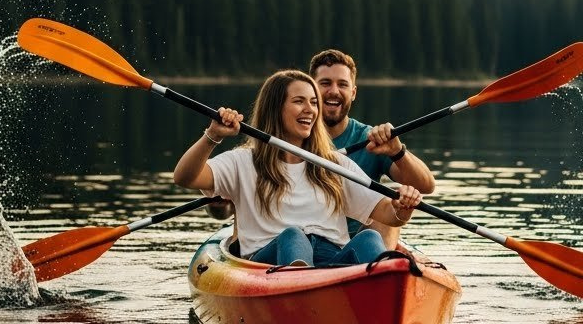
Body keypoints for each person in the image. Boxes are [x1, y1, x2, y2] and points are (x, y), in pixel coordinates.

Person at [173, 69, 422, 268]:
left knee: (370, 238)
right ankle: (304, 290)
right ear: (275, 109)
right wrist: (213, 136)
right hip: (269, 265)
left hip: (330, 263)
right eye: (299, 101)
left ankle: (377, 293)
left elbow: (388, 215)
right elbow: (185, 177)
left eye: (314, 102)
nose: (310, 110)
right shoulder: (242, 162)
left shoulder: (333, 164)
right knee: (293, 236)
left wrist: (403, 207)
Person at [308, 48, 435, 244]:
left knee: (387, 201)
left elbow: (425, 186)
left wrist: (397, 151)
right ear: (311, 90)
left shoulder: (369, 139)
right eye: (325, 83)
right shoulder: (292, 137)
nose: (334, 91)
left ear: (353, 93)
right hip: (306, 240)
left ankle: (379, 265)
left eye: (342, 84)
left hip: (360, 245)